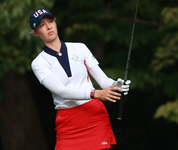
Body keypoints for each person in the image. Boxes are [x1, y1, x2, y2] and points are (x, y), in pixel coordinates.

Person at [29, 8, 131, 150]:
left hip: (94, 114)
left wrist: (117, 84)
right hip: (68, 119)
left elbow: (103, 81)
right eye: (42, 25)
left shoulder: (80, 48)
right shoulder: (39, 63)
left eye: (50, 21)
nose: (48, 27)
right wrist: (95, 93)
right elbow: (62, 91)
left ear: (56, 23)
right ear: (36, 32)